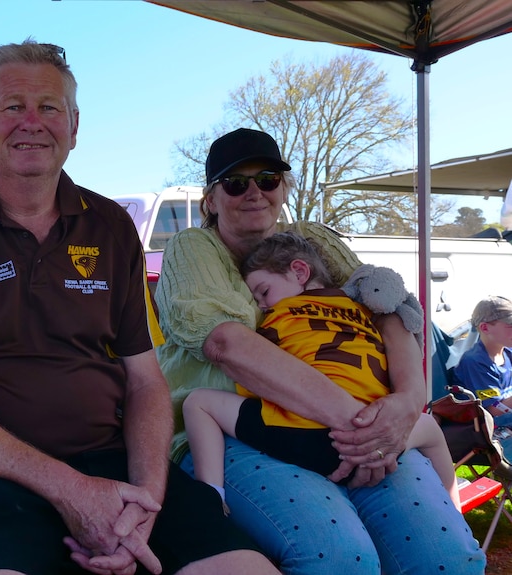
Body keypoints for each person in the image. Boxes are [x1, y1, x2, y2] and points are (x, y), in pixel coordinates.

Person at [0, 41, 278, 575]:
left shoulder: (111, 227)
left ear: (73, 125)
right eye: (11, 106)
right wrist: (75, 493)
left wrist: (144, 500)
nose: (31, 122)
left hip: (113, 462)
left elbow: (145, 383)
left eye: (48, 107)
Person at [155, 127, 485, 574]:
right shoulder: (194, 247)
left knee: (448, 560)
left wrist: (407, 403)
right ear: (211, 200)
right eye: (235, 183)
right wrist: (362, 429)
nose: (254, 192)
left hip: (367, 429)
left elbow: (388, 306)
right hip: (240, 432)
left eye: (267, 179)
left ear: (284, 187)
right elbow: (225, 342)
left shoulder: (311, 240)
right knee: (337, 557)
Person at [182, 231, 461, 511]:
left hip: (301, 435)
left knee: (199, 403)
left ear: (300, 271)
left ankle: (212, 495)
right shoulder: (365, 311)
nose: (263, 305)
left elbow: (257, 368)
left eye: (264, 292)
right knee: (429, 428)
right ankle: (455, 509)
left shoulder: (281, 314)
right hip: (381, 436)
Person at [454, 296, 512, 433]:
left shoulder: (508, 351)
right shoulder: (475, 363)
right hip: (491, 430)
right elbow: (494, 410)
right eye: (510, 326)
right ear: (485, 328)